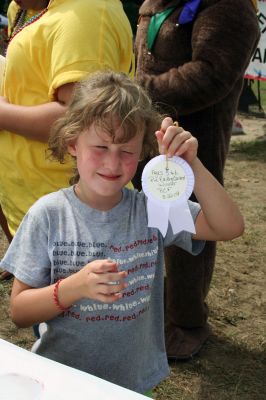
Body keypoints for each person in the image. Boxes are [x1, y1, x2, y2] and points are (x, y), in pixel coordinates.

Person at [0, 71, 244, 395]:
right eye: (100, 146)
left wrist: (192, 165)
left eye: (126, 151)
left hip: (131, 383)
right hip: (62, 380)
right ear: (73, 143)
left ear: (142, 151)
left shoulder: (152, 210)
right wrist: (75, 287)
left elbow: (229, 226)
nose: (113, 163)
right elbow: (19, 311)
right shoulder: (48, 216)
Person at [134, 0, 260, 360]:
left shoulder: (228, 6)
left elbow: (210, 74)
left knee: (188, 226)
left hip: (193, 139)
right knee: (149, 216)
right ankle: (159, 300)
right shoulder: (157, 2)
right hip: (148, 129)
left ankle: (188, 320)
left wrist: (139, 90)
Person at [0, 0, 134, 280]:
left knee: (85, 316)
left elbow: (84, 121)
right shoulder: (27, 8)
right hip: (39, 206)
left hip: (74, 218)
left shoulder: (87, 12)